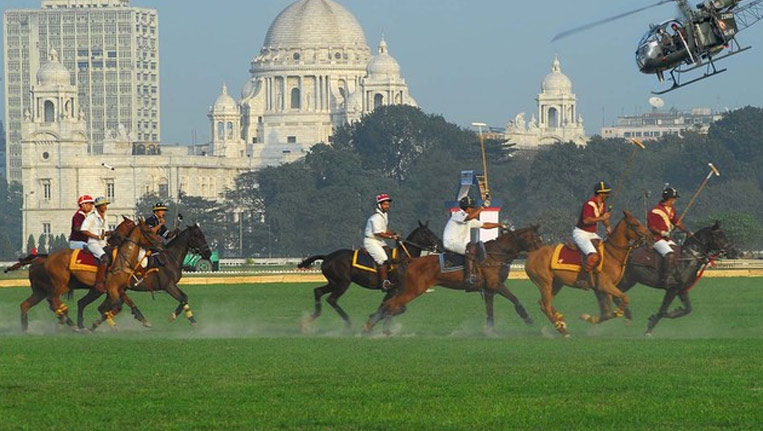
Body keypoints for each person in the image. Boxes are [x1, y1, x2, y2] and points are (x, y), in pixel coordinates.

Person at [443, 196, 505, 289]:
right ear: (468, 208)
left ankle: (476, 273)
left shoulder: (469, 219)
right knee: (471, 248)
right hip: (450, 242)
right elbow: (470, 217)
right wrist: (482, 207)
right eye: (473, 208)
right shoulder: (459, 214)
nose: (474, 210)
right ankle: (469, 277)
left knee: (474, 247)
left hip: (458, 244)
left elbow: (484, 225)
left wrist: (500, 225)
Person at [647, 186, 690, 286]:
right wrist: (662, 232)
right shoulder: (655, 211)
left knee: (679, 252)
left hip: (667, 239)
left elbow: (677, 223)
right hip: (656, 239)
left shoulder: (671, 209)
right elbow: (651, 227)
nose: (674, 201)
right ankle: (667, 277)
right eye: (674, 199)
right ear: (670, 199)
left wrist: (687, 231)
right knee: (670, 255)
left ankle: (677, 274)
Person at [573, 182, 613, 288]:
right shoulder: (589, 204)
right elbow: (586, 220)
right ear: (600, 194)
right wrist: (602, 218)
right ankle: (581, 279)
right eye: (607, 193)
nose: (608, 195)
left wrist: (608, 226)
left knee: (606, 250)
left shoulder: (602, 204)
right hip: (581, 233)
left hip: (591, 233)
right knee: (594, 256)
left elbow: (603, 218)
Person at [363, 193, 400, 291]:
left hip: (378, 240)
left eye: (388, 204)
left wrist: (395, 233)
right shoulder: (375, 218)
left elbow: (385, 229)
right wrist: (392, 237)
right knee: (382, 259)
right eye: (385, 204)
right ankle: (384, 283)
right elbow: (379, 233)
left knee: (389, 253)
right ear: (379, 205)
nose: (387, 206)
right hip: (371, 241)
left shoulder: (384, 215)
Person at [81, 196, 112, 291]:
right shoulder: (91, 217)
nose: (105, 207)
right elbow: (83, 230)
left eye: (105, 205)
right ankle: (98, 283)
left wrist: (112, 232)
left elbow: (105, 231)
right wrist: (96, 236)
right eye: (103, 205)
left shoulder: (105, 217)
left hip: (103, 244)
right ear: (98, 206)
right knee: (105, 258)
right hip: (93, 243)